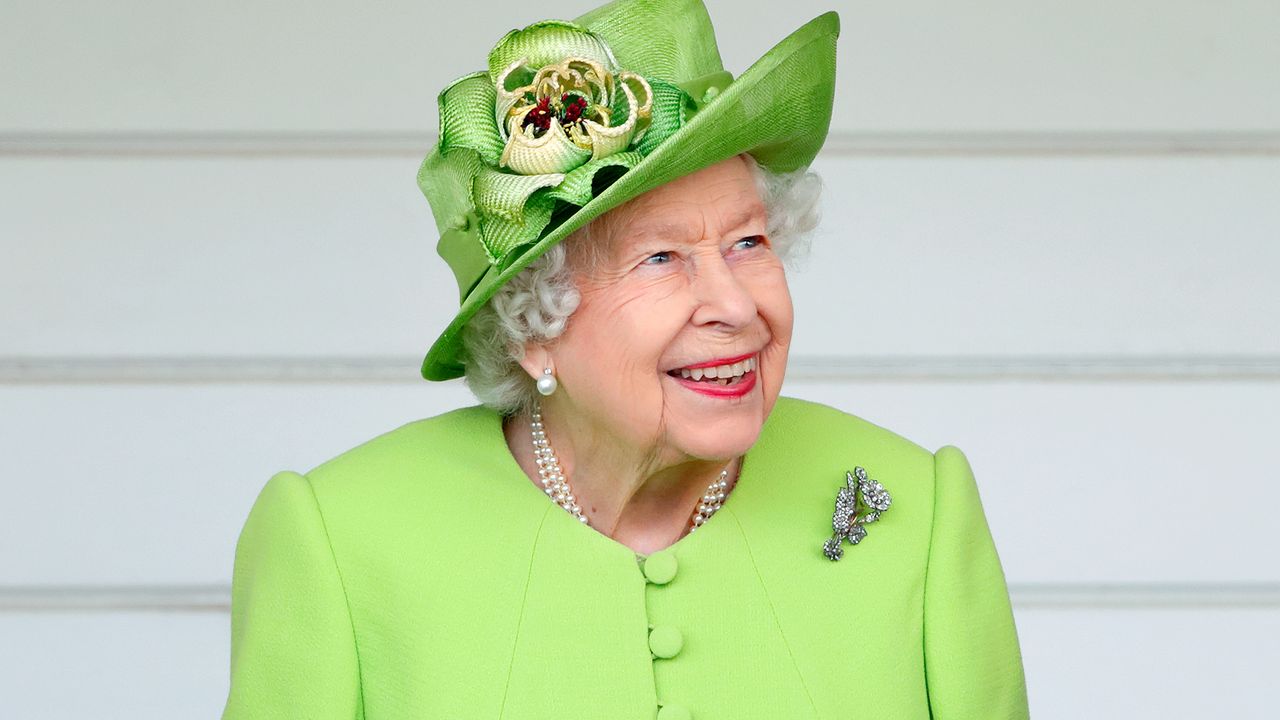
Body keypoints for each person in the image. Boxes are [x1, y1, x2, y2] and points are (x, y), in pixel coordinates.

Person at [221, 0, 1030, 717]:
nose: (737, 306)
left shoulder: (918, 509)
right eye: (662, 259)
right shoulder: (342, 537)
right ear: (535, 322)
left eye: (748, 242)